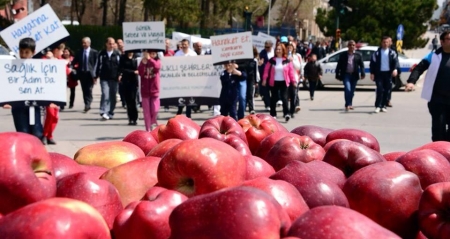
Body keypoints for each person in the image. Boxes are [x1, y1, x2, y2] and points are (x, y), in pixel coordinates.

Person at [405, 31, 450, 142]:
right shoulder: (433, 56)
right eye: (449, 39)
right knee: (438, 128)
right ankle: (438, 151)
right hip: (437, 98)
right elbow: (419, 68)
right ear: (442, 41)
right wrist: (411, 81)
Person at [3, 38, 43, 143]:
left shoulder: (40, 66)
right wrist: (5, 101)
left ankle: (36, 152)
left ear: (33, 52)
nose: (24, 55)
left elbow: (49, 81)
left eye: (27, 52)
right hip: (18, 106)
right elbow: (6, 84)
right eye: (21, 52)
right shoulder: (12, 66)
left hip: (34, 105)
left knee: (37, 132)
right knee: (23, 132)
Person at [262, 43, 296, 122]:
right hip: (274, 82)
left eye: (279, 49)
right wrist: (264, 79)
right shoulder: (272, 60)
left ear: (283, 50)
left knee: (284, 98)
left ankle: (286, 113)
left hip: (284, 82)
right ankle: (273, 114)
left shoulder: (286, 60)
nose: (278, 51)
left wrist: (293, 81)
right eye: (277, 49)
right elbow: (266, 70)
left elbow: (291, 72)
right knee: (273, 99)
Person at [369, 36, 399, 113]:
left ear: (389, 43)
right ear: (381, 43)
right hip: (379, 74)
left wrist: (395, 69)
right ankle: (378, 106)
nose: (385, 44)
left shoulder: (392, 53)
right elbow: (372, 64)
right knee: (379, 89)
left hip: (388, 74)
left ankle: (384, 105)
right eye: (384, 42)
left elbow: (395, 62)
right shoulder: (377, 53)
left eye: (386, 42)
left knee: (387, 90)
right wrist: (372, 73)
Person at [335, 40, 365, 111]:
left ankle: (349, 104)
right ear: (348, 46)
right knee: (347, 89)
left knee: (352, 91)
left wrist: (362, 73)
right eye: (350, 45)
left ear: (355, 46)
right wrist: (337, 74)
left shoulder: (358, 55)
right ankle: (348, 104)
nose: (352, 46)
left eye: (353, 45)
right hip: (346, 74)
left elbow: (362, 65)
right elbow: (339, 65)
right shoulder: (343, 55)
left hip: (354, 75)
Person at [96, 37, 121, 120]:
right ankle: (104, 111)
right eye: (110, 43)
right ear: (106, 44)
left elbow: (120, 66)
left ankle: (110, 112)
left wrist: (120, 75)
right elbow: (98, 65)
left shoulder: (117, 54)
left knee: (113, 96)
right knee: (105, 94)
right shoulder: (101, 54)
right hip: (104, 78)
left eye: (113, 43)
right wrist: (95, 76)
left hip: (114, 78)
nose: (111, 45)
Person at [71, 37, 98, 113]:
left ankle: (88, 102)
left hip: (90, 74)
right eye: (82, 43)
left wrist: (96, 75)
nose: (83, 44)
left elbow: (97, 63)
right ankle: (87, 104)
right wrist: (71, 67)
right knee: (84, 89)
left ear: (89, 43)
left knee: (89, 89)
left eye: (85, 43)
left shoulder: (94, 52)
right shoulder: (79, 52)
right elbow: (74, 61)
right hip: (82, 73)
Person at [138, 50, 161, 131]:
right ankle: (148, 129)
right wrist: (143, 64)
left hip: (154, 89)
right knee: (146, 112)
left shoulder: (157, 61)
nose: (151, 55)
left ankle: (153, 121)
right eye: (150, 54)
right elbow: (140, 73)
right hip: (145, 90)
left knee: (155, 109)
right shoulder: (143, 61)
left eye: (153, 54)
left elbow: (157, 67)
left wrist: (150, 59)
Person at [119, 50, 139, 126]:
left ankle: (135, 118)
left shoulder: (136, 57)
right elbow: (121, 69)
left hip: (134, 82)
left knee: (133, 100)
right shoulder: (123, 58)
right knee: (128, 101)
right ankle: (130, 118)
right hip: (126, 81)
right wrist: (132, 72)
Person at [287, 42, 302, 115]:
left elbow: (298, 67)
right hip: (285, 78)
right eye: (288, 47)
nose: (289, 48)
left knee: (293, 94)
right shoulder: (284, 56)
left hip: (294, 78)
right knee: (285, 95)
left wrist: (292, 60)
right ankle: (286, 111)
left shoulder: (296, 56)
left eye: (291, 47)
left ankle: (292, 110)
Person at [258, 40, 275, 111]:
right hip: (264, 74)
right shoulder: (262, 52)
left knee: (274, 90)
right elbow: (260, 62)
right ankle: (267, 104)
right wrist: (260, 63)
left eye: (268, 47)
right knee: (265, 90)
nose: (266, 48)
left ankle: (273, 103)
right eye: (265, 47)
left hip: (273, 74)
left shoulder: (275, 53)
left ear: (271, 46)